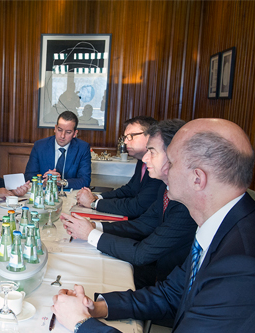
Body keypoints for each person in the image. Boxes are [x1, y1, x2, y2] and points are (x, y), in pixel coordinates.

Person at [52, 118, 255, 332]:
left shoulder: (240, 265)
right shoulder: (219, 225)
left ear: (197, 179)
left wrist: (81, 324)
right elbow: (171, 295)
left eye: (172, 162)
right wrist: (98, 308)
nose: (164, 169)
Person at [62, 119, 196, 289]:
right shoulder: (166, 188)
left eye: (152, 152)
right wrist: (93, 226)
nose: (146, 158)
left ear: (174, 156)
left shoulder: (185, 203)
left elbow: (141, 253)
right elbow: (142, 225)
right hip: (158, 274)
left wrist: (90, 234)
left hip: (166, 285)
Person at [77, 116, 161, 219]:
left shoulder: (158, 167)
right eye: (125, 137)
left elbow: (137, 206)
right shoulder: (141, 161)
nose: (125, 142)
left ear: (151, 136)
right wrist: (97, 197)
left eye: (131, 136)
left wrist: (94, 203)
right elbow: (129, 190)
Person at [25, 111, 91, 189]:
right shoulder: (40, 146)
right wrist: (43, 182)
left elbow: (85, 180)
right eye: (59, 130)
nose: (62, 136)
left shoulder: (83, 148)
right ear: (55, 128)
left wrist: (61, 182)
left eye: (68, 132)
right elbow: (29, 175)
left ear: (74, 133)